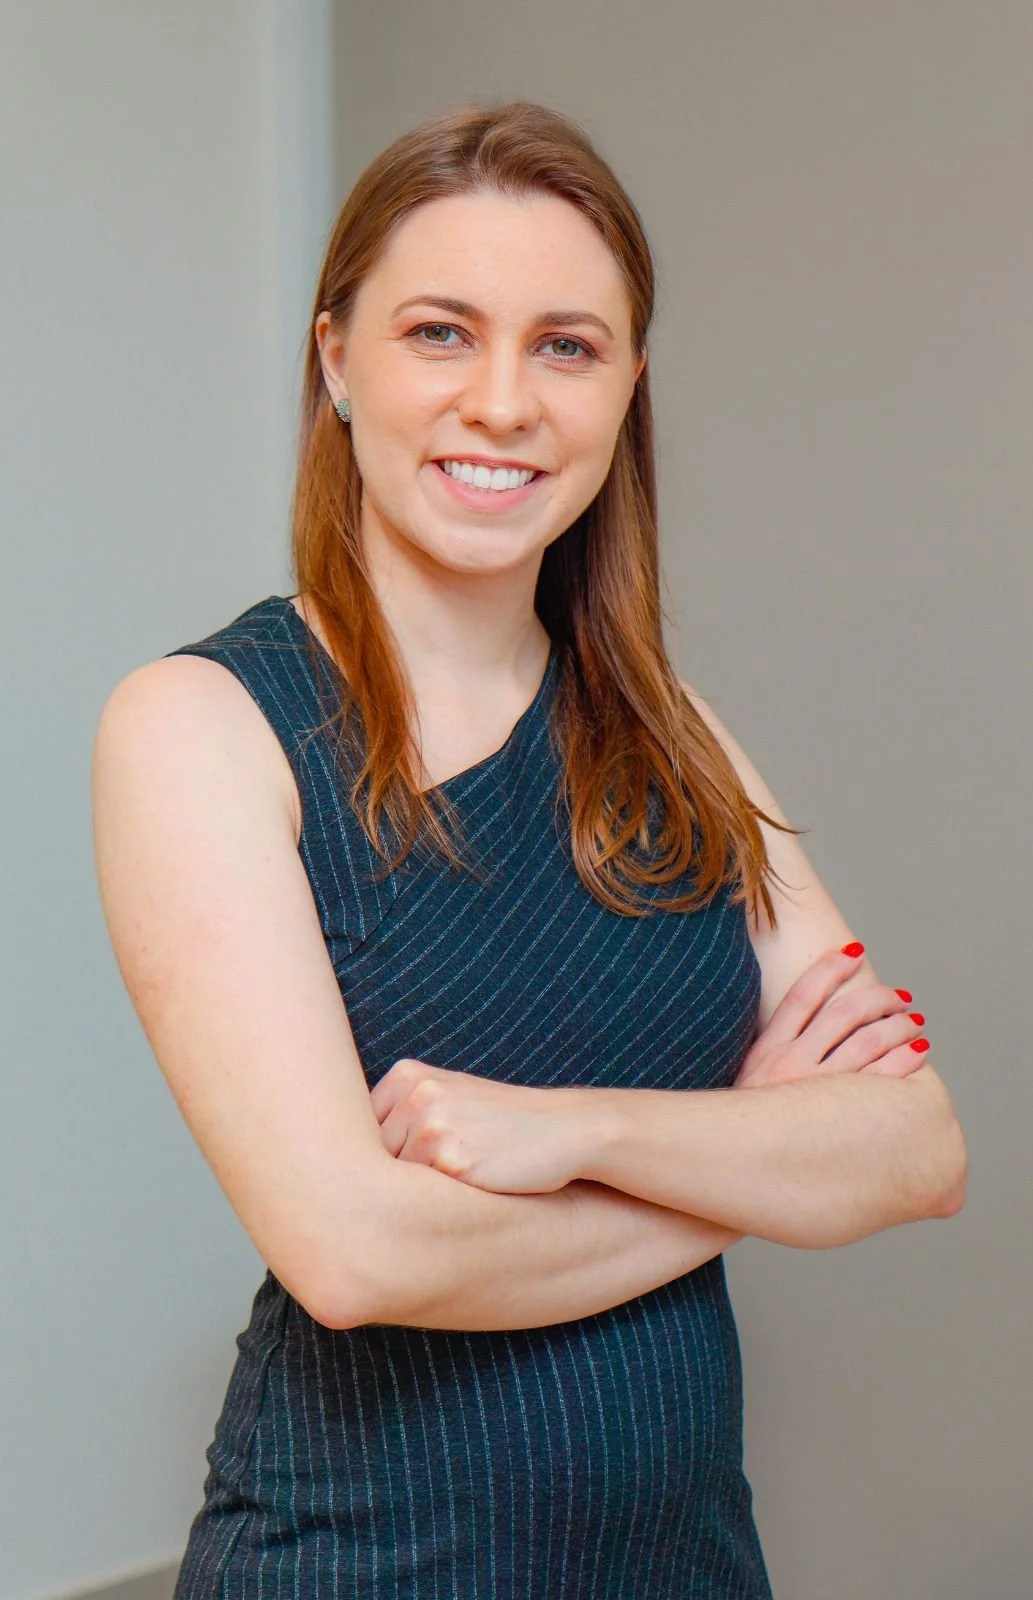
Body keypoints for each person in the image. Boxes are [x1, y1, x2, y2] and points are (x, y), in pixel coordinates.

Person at [91, 100, 966, 1599]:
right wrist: (751, 1158)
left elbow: (916, 1147)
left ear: (627, 387)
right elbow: (355, 1254)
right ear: (336, 363)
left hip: (688, 1567)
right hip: (362, 1568)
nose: (503, 402)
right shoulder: (204, 728)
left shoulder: (673, 735)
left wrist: (578, 1131)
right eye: (441, 332)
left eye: (566, 344)